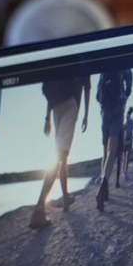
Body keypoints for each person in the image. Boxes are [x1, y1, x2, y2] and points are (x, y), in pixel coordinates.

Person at [29, 74, 90, 229]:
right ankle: (39, 209)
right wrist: (86, 115)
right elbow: (87, 88)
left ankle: (66, 198)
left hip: (56, 107)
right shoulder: (82, 61)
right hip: (70, 104)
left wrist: (47, 118)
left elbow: (51, 87)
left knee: (62, 154)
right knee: (61, 155)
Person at [96, 68, 133, 213]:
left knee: (105, 151)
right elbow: (129, 83)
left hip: (104, 109)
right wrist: (124, 97)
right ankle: (103, 187)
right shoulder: (124, 64)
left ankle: (102, 186)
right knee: (113, 148)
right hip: (117, 106)